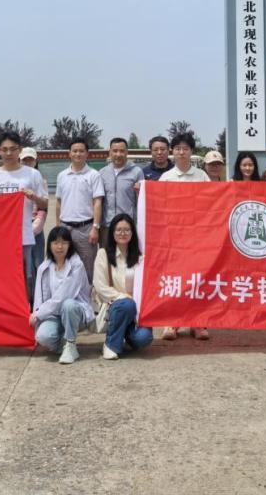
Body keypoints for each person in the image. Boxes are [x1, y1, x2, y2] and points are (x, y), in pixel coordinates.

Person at [0, 132, 49, 301]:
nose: (9, 153)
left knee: (26, 278)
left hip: (23, 237)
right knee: (0, 278)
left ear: (20, 150)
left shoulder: (32, 174)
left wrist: (34, 197)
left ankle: (26, 310)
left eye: (13, 149)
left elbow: (45, 204)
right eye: (4, 149)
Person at [159, 132, 210, 341]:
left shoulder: (202, 176)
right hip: (174, 237)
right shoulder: (166, 178)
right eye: (178, 148)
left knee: (198, 279)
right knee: (175, 278)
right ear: (172, 152)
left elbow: (212, 205)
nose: (181, 152)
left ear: (192, 151)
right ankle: (173, 322)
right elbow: (159, 207)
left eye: (185, 148)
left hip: (197, 237)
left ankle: (198, 322)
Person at [31, 226, 93, 365]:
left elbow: (63, 296)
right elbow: (39, 298)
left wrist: (39, 313)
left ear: (69, 245)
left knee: (68, 304)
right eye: (56, 243)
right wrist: (38, 316)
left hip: (75, 313)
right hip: (54, 315)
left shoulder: (76, 265)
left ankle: (70, 344)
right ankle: (64, 346)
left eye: (64, 243)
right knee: (43, 336)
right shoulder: (44, 267)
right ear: (50, 245)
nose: (60, 247)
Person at [93, 214, 153, 360]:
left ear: (132, 233)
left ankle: (124, 335)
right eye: (118, 230)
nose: (122, 233)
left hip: (136, 312)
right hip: (115, 307)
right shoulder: (103, 254)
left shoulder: (140, 258)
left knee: (144, 338)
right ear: (112, 233)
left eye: (127, 230)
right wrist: (124, 297)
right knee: (126, 305)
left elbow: (147, 288)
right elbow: (100, 286)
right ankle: (111, 345)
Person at [55, 137, 105, 284]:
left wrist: (95, 228)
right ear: (69, 153)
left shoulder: (93, 175)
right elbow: (58, 202)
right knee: (64, 265)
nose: (78, 154)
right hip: (65, 227)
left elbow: (97, 202)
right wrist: (58, 227)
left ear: (87, 154)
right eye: (75, 151)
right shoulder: (62, 175)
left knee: (88, 267)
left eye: (81, 151)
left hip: (86, 229)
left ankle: (88, 295)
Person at [99, 137, 144, 246]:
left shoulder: (136, 172)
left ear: (127, 152)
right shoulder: (102, 173)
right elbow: (99, 201)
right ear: (109, 152)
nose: (118, 154)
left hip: (128, 226)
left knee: (128, 255)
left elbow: (141, 201)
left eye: (122, 151)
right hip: (107, 226)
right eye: (115, 151)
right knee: (107, 255)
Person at [21, 146, 48, 303]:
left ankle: (39, 301)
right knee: (25, 269)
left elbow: (43, 208)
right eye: (25, 160)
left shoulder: (40, 180)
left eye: (30, 159)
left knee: (38, 265)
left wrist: (34, 228)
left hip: (35, 231)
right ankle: (27, 300)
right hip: (19, 231)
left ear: (36, 161)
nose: (28, 162)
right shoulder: (16, 180)